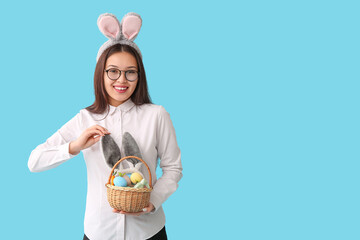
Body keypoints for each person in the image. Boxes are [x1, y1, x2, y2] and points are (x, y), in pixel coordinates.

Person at [28, 12, 183, 240]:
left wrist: (153, 200)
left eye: (130, 72)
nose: (121, 80)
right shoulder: (85, 119)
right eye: (113, 71)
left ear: (139, 76)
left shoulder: (157, 115)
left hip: (149, 231)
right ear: (100, 73)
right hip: (99, 231)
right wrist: (75, 146)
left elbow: (173, 169)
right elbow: (34, 161)